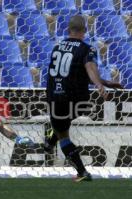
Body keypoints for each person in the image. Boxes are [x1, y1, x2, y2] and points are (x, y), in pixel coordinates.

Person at [44, 15, 123, 182]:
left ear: (68, 30)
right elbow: (89, 67)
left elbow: (77, 70)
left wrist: (104, 82)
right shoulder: (87, 48)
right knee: (64, 128)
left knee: (62, 131)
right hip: (77, 99)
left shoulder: (57, 47)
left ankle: (56, 139)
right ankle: (56, 141)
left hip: (54, 96)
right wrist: (99, 84)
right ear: (85, 31)